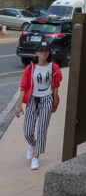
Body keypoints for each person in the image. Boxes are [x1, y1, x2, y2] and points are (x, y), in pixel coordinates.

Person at [15, 42, 62, 170]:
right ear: (36, 53)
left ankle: (36, 157)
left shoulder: (54, 68)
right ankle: (33, 144)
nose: (44, 53)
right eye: (41, 51)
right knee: (27, 131)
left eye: (46, 51)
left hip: (47, 100)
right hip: (32, 100)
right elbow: (24, 87)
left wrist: (54, 102)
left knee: (42, 129)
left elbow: (56, 85)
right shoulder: (30, 68)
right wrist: (20, 106)